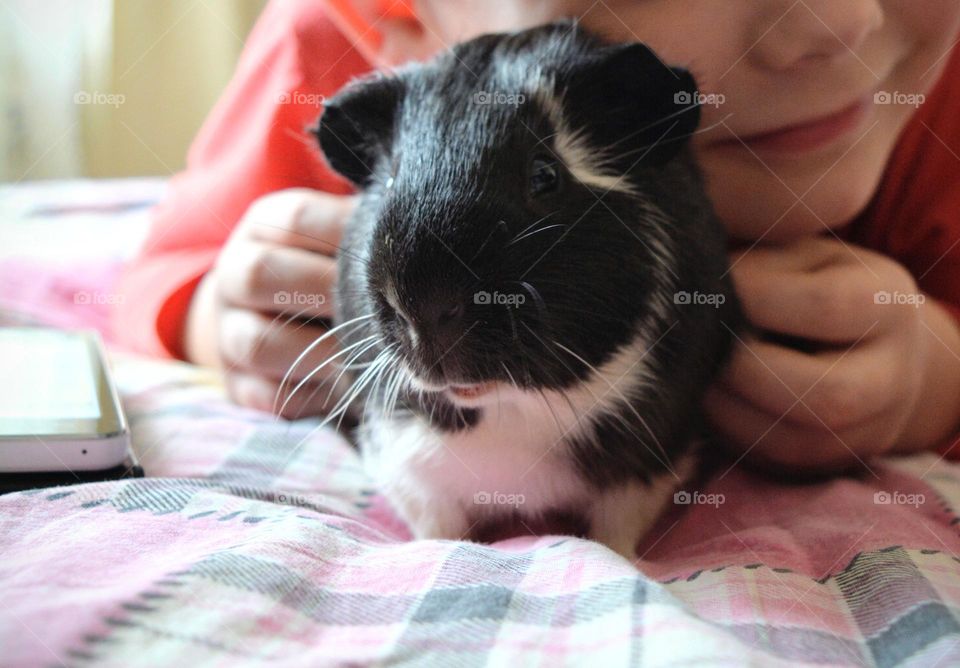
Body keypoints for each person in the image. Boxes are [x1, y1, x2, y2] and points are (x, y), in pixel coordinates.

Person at [112, 0, 960, 471]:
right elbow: (164, 272)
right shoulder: (337, 72)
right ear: (405, 19)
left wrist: (938, 377)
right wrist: (219, 313)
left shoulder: (930, 103)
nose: (841, 21)